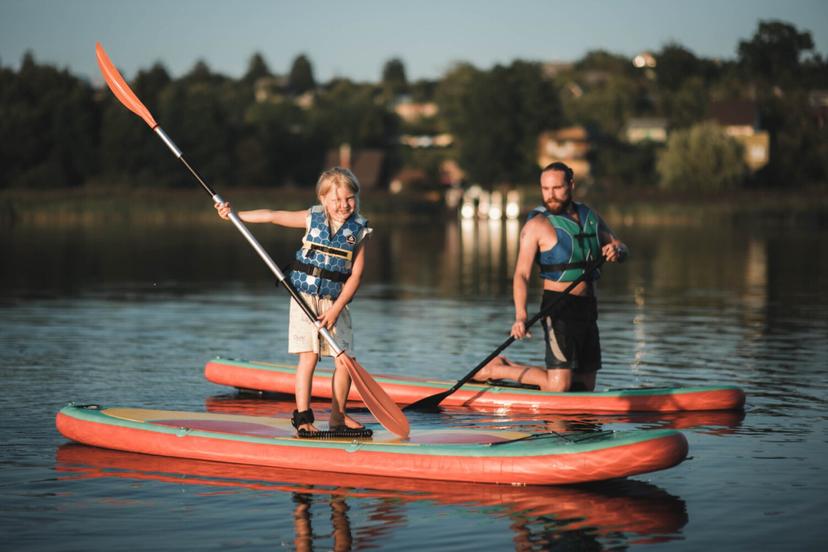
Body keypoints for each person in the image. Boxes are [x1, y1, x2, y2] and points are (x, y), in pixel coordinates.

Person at [215, 167, 371, 435]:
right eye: (336, 200)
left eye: (349, 199)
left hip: (336, 303)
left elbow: (355, 276)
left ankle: (338, 417)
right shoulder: (312, 218)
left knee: (346, 361)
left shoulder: (359, 230)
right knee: (308, 359)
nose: (343, 205)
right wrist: (235, 215)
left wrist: (335, 310)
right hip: (305, 300)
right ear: (323, 200)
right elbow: (273, 216)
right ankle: (303, 418)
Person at [472, 161, 628, 392]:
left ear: (571, 185)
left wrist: (618, 251)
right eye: (545, 189)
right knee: (560, 386)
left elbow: (619, 246)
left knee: (585, 385)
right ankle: (495, 369)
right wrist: (520, 316)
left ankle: (510, 368)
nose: (550, 195)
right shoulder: (537, 224)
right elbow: (522, 274)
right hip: (558, 308)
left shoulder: (590, 216)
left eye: (556, 188)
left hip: (588, 306)